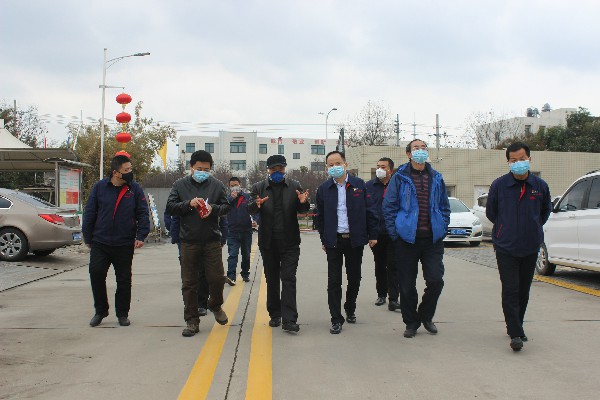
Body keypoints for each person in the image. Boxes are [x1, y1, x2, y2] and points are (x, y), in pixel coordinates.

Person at [486, 141, 551, 351]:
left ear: (529, 159)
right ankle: (515, 332)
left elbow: (545, 212)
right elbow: (491, 213)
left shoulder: (540, 186)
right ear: (508, 162)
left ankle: (518, 324)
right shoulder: (499, 185)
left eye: (522, 159)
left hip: (530, 246)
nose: (518, 163)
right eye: (514, 160)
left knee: (523, 290)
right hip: (506, 246)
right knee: (510, 289)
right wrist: (505, 228)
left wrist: (532, 228)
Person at [382, 139, 450, 339]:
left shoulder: (436, 177)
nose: (420, 151)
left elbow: (444, 206)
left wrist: (442, 227)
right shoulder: (400, 177)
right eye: (416, 148)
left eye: (423, 148)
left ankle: (426, 316)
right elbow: (389, 207)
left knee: (436, 281)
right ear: (409, 154)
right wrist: (395, 234)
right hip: (406, 241)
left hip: (432, 240)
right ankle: (411, 322)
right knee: (406, 285)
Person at [166, 150, 231, 337]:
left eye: (207, 169)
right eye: (199, 168)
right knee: (189, 283)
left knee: (217, 278)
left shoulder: (217, 185)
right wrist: (188, 204)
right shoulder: (180, 185)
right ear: (191, 167)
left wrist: (214, 208)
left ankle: (215, 304)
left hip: (212, 240)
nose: (203, 172)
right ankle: (192, 320)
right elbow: (170, 207)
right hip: (189, 241)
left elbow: (226, 207)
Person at [82, 155, 150, 327]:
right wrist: (88, 237)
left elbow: (142, 213)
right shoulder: (100, 187)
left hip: (124, 243)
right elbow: (90, 212)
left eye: (130, 169)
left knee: (124, 280)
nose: (130, 172)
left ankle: (122, 314)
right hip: (101, 242)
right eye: (126, 170)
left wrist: (141, 235)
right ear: (116, 173)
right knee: (96, 274)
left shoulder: (135, 189)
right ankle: (100, 311)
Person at [316, 151, 378, 334]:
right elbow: (320, 217)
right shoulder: (324, 189)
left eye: (338, 163)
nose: (334, 167)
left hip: (355, 239)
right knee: (334, 281)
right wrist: (324, 239)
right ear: (327, 168)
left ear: (345, 164)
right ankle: (336, 318)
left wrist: (373, 234)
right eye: (330, 165)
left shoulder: (359, 185)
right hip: (334, 241)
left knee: (354, 278)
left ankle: (350, 308)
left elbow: (370, 211)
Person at [247, 155, 310, 333]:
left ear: (285, 169)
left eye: (280, 169)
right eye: (274, 169)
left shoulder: (294, 185)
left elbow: (303, 209)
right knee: (272, 279)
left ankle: (289, 319)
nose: (277, 172)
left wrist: (304, 202)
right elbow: (249, 208)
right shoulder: (258, 187)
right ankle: (275, 314)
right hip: (268, 242)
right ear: (268, 170)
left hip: (290, 242)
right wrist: (256, 204)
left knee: (288, 278)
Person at [164, 211, 228, 317]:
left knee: (205, 273)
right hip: (185, 238)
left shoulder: (213, 199)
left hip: (208, 239)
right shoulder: (181, 199)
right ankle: (191, 310)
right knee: (189, 276)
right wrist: (175, 235)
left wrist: (223, 237)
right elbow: (173, 214)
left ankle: (202, 303)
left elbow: (222, 216)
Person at [366, 157, 400, 311]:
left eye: (383, 167)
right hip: (376, 233)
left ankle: (394, 298)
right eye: (378, 166)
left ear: (390, 170)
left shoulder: (397, 185)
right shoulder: (369, 186)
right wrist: (369, 233)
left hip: (393, 232)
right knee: (380, 265)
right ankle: (381, 294)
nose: (379, 169)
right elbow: (366, 210)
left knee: (393, 265)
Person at [226, 177, 258, 284]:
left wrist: (255, 221)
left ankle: (245, 274)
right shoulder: (227, 199)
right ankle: (231, 276)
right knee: (232, 254)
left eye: (236, 185)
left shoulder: (247, 197)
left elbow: (255, 210)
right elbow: (223, 208)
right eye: (232, 186)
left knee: (246, 255)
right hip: (232, 231)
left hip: (246, 231)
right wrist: (231, 198)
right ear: (229, 187)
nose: (234, 187)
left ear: (240, 185)